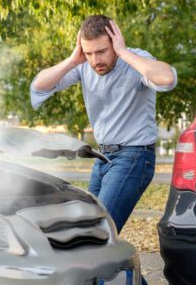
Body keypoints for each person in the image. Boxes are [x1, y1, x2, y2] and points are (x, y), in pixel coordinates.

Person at [31, 15, 177, 234]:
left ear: (115, 43)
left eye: (101, 52)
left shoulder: (135, 60)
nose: (95, 60)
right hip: (102, 159)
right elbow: (39, 86)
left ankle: (124, 268)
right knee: (86, 230)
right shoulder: (84, 65)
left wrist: (124, 53)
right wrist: (73, 60)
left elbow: (167, 78)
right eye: (89, 53)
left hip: (133, 157)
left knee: (98, 233)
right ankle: (116, 269)